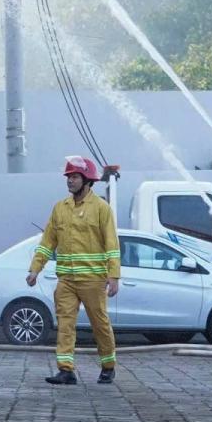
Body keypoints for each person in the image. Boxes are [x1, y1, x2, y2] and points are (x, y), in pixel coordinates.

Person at [28, 154, 121, 386]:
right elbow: (48, 241)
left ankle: (108, 366)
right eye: (68, 176)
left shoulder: (101, 209)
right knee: (65, 323)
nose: (70, 180)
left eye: (75, 176)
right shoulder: (60, 208)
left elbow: (112, 244)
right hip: (66, 280)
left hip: (93, 279)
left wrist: (114, 275)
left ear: (88, 180)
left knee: (100, 324)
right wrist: (35, 269)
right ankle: (65, 370)